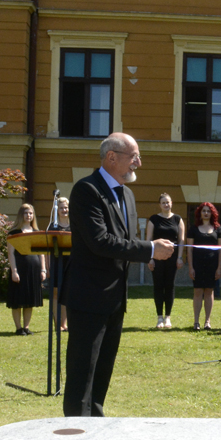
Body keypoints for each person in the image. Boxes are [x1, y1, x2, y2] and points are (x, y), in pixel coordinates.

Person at [63, 133, 174, 417]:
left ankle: (96, 426)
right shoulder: (86, 190)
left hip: (115, 298)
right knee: (82, 372)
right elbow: (100, 242)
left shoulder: (127, 194)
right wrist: (150, 248)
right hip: (88, 297)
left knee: (103, 370)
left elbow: (123, 241)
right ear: (112, 157)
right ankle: (75, 435)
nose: (138, 162)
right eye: (133, 156)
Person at [146, 193, 185, 329]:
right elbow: (149, 240)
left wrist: (179, 257)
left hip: (172, 258)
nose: (166, 205)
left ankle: (168, 317)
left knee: (169, 286)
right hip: (156, 258)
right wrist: (149, 258)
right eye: (163, 203)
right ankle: (159, 318)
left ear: (171, 203)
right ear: (160, 205)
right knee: (158, 286)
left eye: (167, 202)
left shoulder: (178, 219)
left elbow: (181, 240)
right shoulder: (153, 220)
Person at [6, 203, 46, 335]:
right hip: (19, 268)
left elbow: (41, 253)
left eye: (31, 213)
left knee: (29, 300)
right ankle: (18, 328)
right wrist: (14, 271)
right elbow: (10, 253)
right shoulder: (14, 233)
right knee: (17, 301)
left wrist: (43, 270)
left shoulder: (36, 232)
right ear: (21, 215)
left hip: (33, 269)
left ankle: (26, 327)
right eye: (26, 213)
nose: (28, 215)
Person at [186, 202, 221, 330]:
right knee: (197, 291)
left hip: (212, 265)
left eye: (208, 211)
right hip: (197, 264)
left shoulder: (218, 229)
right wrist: (190, 267)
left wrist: (219, 267)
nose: (206, 213)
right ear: (200, 213)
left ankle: (207, 321)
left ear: (212, 213)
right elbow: (190, 250)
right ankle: (196, 322)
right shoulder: (193, 229)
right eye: (204, 211)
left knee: (209, 291)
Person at [47, 196, 71, 331]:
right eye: (61, 208)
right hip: (56, 261)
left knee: (67, 293)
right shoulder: (53, 226)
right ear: (57, 210)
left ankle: (64, 324)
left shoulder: (74, 225)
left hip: (70, 262)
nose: (64, 210)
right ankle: (57, 323)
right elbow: (46, 248)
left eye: (66, 207)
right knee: (56, 293)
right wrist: (47, 267)